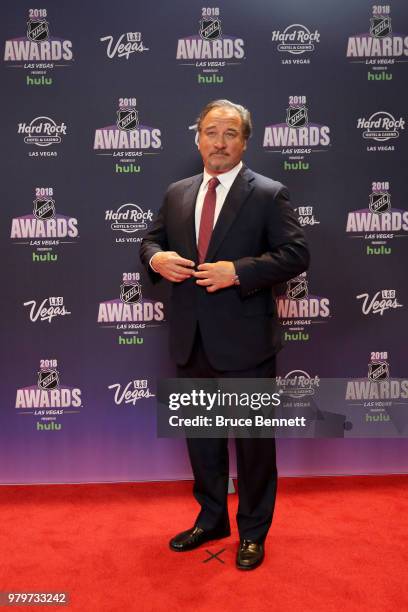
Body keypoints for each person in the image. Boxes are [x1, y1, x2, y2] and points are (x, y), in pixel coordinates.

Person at [140, 99, 309, 570]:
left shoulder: (268, 193)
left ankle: (254, 532)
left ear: (244, 141)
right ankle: (212, 519)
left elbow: (296, 255)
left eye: (229, 133)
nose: (219, 142)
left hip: (246, 343)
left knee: (254, 448)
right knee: (202, 440)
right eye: (211, 132)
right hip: (189, 341)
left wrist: (237, 271)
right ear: (197, 138)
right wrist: (156, 259)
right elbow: (151, 241)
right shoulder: (177, 192)